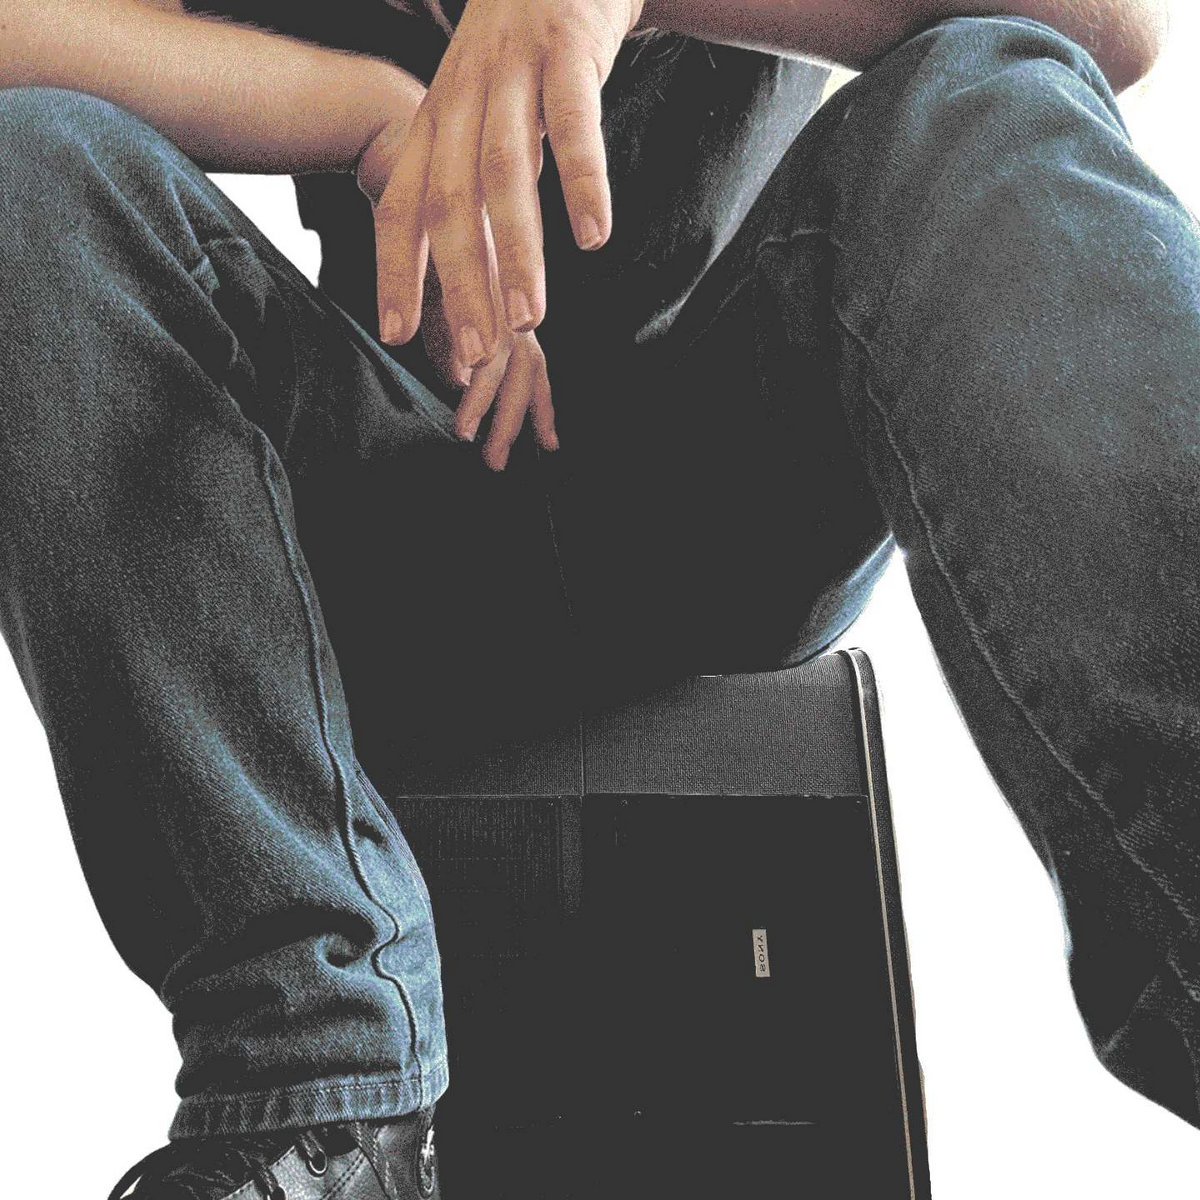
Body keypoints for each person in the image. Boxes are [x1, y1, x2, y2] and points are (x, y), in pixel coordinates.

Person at [0, 0, 1196, 1195]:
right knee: (33, 160)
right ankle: (318, 1107)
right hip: (391, 495)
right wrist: (378, 122)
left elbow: (1122, 26)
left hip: (722, 476)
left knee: (982, 87)